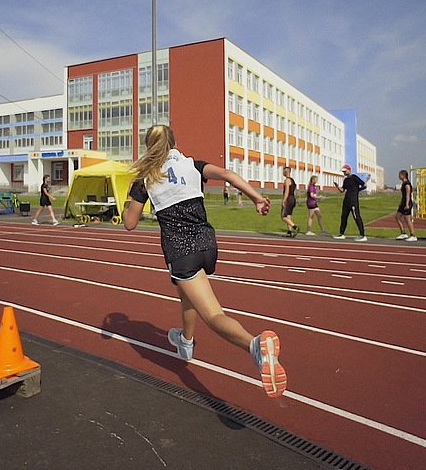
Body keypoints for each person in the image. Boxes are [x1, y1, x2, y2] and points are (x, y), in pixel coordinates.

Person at [122, 125, 288, 398]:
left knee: (213, 315)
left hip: (181, 251)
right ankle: (185, 341)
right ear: (174, 142)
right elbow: (227, 175)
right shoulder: (193, 165)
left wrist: (132, 199)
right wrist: (257, 198)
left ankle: (255, 345)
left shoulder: (145, 180)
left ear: (148, 146)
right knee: (187, 292)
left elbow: (129, 223)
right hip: (207, 245)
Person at [333, 165, 367, 241]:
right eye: (343, 171)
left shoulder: (354, 177)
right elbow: (342, 190)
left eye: (345, 171)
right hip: (346, 200)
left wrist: (358, 190)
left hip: (353, 201)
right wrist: (337, 187)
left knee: (356, 217)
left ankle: (362, 235)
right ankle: (341, 233)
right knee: (344, 217)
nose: (344, 172)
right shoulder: (345, 180)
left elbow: (364, 185)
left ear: (349, 170)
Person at [395, 170, 417, 241]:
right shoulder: (403, 183)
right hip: (403, 203)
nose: (398, 176)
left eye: (399, 175)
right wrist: (401, 203)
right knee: (397, 217)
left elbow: (408, 195)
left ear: (403, 175)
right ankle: (403, 233)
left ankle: (413, 235)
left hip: (407, 203)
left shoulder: (407, 184)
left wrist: (407, 204)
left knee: (407, 219)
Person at [280, 166, 299, 237]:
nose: (282, 173)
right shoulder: (292, 180)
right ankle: (289, 232)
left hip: (288, 199)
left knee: (283, 216)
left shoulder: (287, 180)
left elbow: (287, 191)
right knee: (288, 216)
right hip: (292, 198)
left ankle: (295, 227)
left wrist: (284, 201)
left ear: (286, 172)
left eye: (283, 171)